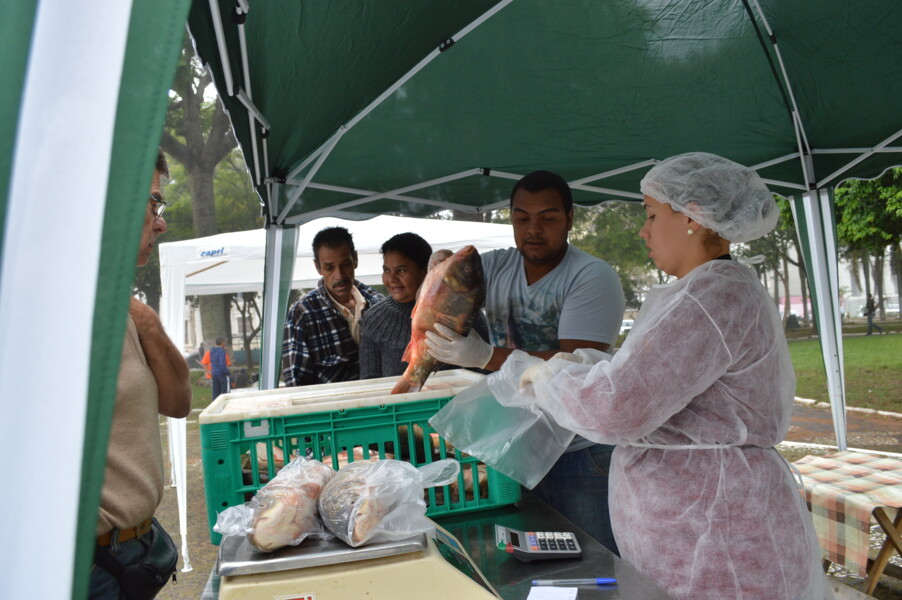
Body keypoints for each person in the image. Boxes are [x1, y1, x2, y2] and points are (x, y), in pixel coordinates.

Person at [517, 152, 831, 600]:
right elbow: (653, 378)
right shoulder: (708, 289)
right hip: (705, 520)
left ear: (693, 218)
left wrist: (550, 380)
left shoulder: (710, 296)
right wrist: (585, 367)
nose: (643, 230)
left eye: (651, 214)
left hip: (714, 532)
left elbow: (617, 407)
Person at [425, 170, 625, 553]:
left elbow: (574, 366)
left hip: (581, 451)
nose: (533, 229)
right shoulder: (498, 266)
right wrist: (440, 270)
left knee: (596, 563)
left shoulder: (592, 277)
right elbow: (456, 278)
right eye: (522, 218)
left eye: (548, 218)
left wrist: (483, 355)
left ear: (569, 218)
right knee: (536, 564)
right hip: (518, 444)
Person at [90, 149, 192, 599]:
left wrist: (148, 321)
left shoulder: (124, 310)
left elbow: (177, 402)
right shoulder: (50, 311)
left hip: (128, 558)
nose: (161, 221)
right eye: (155, 203)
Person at [282, 226, 383, 386]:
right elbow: (296, 385)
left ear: (355, 260)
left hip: (383, 405)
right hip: (332, 409)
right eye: (329, 268)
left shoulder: (377, 303)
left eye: (345, 264)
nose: (339, 275)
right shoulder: (303, 314)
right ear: (318, 267)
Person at [358, 233, 433, 379]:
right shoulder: (373, 320)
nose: (391, 279)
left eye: (401, 270)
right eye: (386, 270)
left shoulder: (457, 312)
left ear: (425, 271)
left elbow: (481, 375)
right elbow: (369, 382)